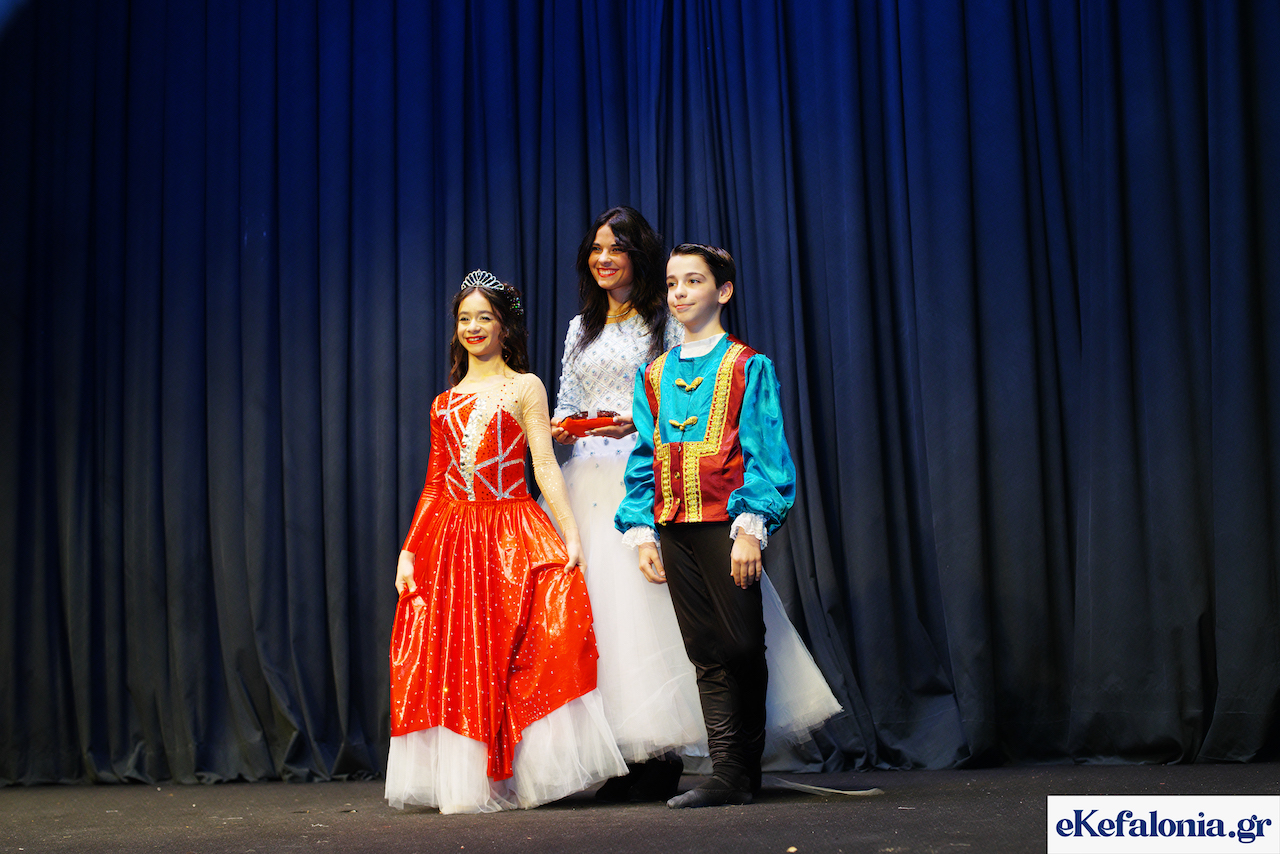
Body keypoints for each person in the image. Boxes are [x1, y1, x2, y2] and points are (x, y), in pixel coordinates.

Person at [386, 270, 626, 814]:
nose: (473, 327)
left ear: (504, 326)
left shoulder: (525, 387)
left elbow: (544, 464)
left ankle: (522, 768)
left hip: (512, 533)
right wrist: (408, 550)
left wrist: (570, 533)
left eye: (484, 317)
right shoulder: (443, 402)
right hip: (454, 541)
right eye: (464, 318)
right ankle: (472, 777)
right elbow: (434, 484)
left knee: (526, 647)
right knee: (462, 655)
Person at [615, 243, 813, 808]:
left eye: (693, 281)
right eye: (672, 283)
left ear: (722, 291)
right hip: (673, 524)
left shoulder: (748, 365)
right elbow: (645, 453)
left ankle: (743, 770)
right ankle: (728, 773)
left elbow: (766, 451)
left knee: (742, 642)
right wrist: (641, 529)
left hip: (726, 523)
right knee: (704, 647)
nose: (679, 292)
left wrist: (751, 527)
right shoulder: (654, 374)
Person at [548, 206, 698, 802]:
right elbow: (567, 398)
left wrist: (631, 424)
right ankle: (615, 752)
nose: (603, 258)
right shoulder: (579, 326)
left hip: (641, 475)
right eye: (595, 248)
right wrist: (564, 424)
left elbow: (680, 402)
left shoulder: (663, 321)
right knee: (595, 618)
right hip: (586, 477)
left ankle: (659, 754)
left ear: (639, 255)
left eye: (616, 248)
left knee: (644, 613)